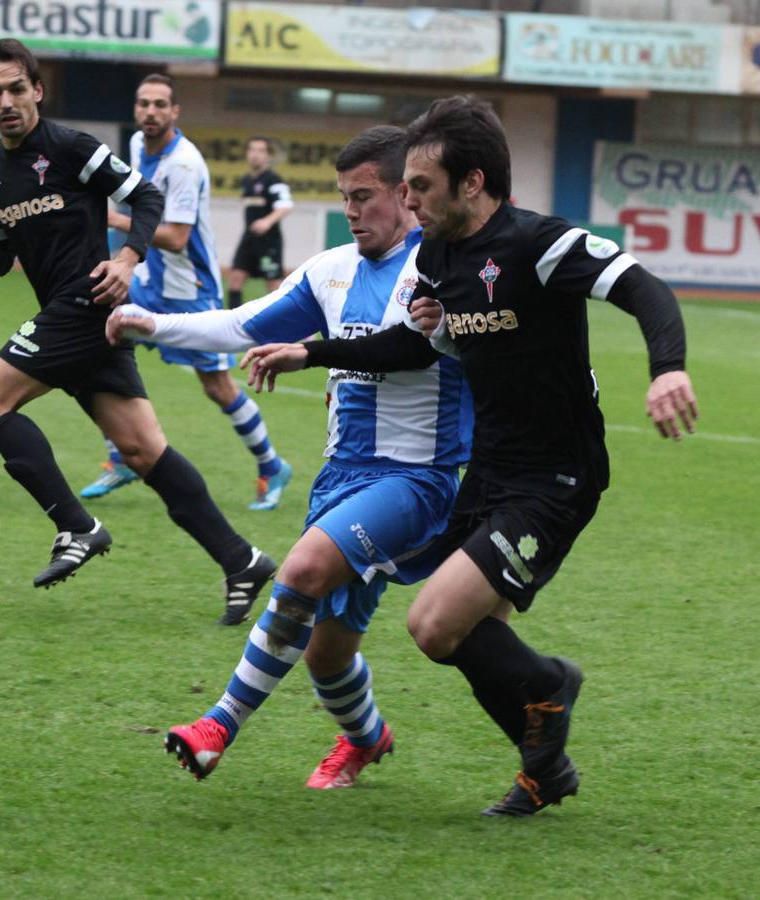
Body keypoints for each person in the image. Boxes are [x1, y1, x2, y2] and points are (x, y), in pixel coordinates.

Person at [242, 96, 699, 815]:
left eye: (420, 186)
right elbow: (408, 345)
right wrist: (312, 353)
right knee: (474, 634)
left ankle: (552, 685)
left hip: (556, 475)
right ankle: (543, 772)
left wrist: (666, 367)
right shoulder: (435, 254)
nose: (407, 198)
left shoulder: (539, 244)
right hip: (486, 472)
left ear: (473, 182)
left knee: (432, 624)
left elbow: (644, 289)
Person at [106, 126, 472, 788]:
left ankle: (217, 725)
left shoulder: (441, 270)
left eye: (364, 196)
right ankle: (366, 738)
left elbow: (408, 347)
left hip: (415, 480)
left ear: (403, 193)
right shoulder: (331, 269)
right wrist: (154, 324)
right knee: (326, 657)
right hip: (340, 481)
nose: (352, 210)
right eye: (344, 197)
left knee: (300, 571)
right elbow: (244, 322)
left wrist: (312, 352)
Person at [0, 39, 275, 621]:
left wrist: (127, 259)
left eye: (17, 89)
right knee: (143, 450)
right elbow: (0, 260)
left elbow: (146, 196)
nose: (7, 101)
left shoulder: (73, 147)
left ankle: (77, 526)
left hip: (85, 302)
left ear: (37, 91)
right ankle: (241, 559)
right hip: (76, 317)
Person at [80, 75, 292, 513]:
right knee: (89, 331)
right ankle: (120, 456)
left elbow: (176, 237)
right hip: (150, 278)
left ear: (175, 112)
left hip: (191, 288)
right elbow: (140, 202)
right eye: (144, 103)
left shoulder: (185, 164)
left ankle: (272, 466)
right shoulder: (139, 144)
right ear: (136, 109)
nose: (151, 112)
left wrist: (115, 222)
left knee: (216, 387)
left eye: (160, 104)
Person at [226, 136, 294, 308]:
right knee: (235, 277)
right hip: (248, 238)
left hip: (268, 241)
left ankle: (283, 323)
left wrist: (267, 221)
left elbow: (285, 206)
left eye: (260, 150)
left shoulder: (273, 179)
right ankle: (234, 324)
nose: (255, 154)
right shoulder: (247, 181)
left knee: (273, 286)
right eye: (252, 150)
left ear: (268, 155)